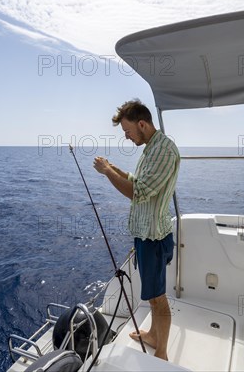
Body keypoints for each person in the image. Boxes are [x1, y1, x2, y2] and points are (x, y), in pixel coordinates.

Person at [93, 99, 180, 361]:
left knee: (158, 298)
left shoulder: (163, 151)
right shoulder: (152, 148)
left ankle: (162, 351)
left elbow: (138, 192)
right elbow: (139, 180)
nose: (128, 137)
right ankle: (154, 336)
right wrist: (115, 168)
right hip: (146, 235)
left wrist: (108, 172)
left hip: (154, 238)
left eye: (128, 131)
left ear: (142, 124)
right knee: (154, 296)